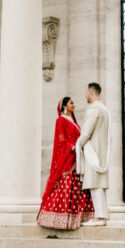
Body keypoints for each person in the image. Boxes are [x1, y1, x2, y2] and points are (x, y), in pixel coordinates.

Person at [37, 97, 94, 230]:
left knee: (78, 187)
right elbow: (61, 140)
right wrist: (72, 147)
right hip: (68, 158)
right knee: (65, 185)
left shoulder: (74, 122)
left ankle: (77, 219)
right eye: (71, 103)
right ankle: (57, 219)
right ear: (64, 106)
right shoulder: (61, 120)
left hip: (78, 158)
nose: (74, 105)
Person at [78, 82, 111, 226]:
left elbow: (86, 132)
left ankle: (99, 217)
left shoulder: (93, 109)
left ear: (92, 93)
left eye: (86, 93)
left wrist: (77, 144)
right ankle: (102, 215)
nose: (85, 96)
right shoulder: (105, 110)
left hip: (93, 150)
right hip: (103, 151)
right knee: (100, 185)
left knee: (94, 184)